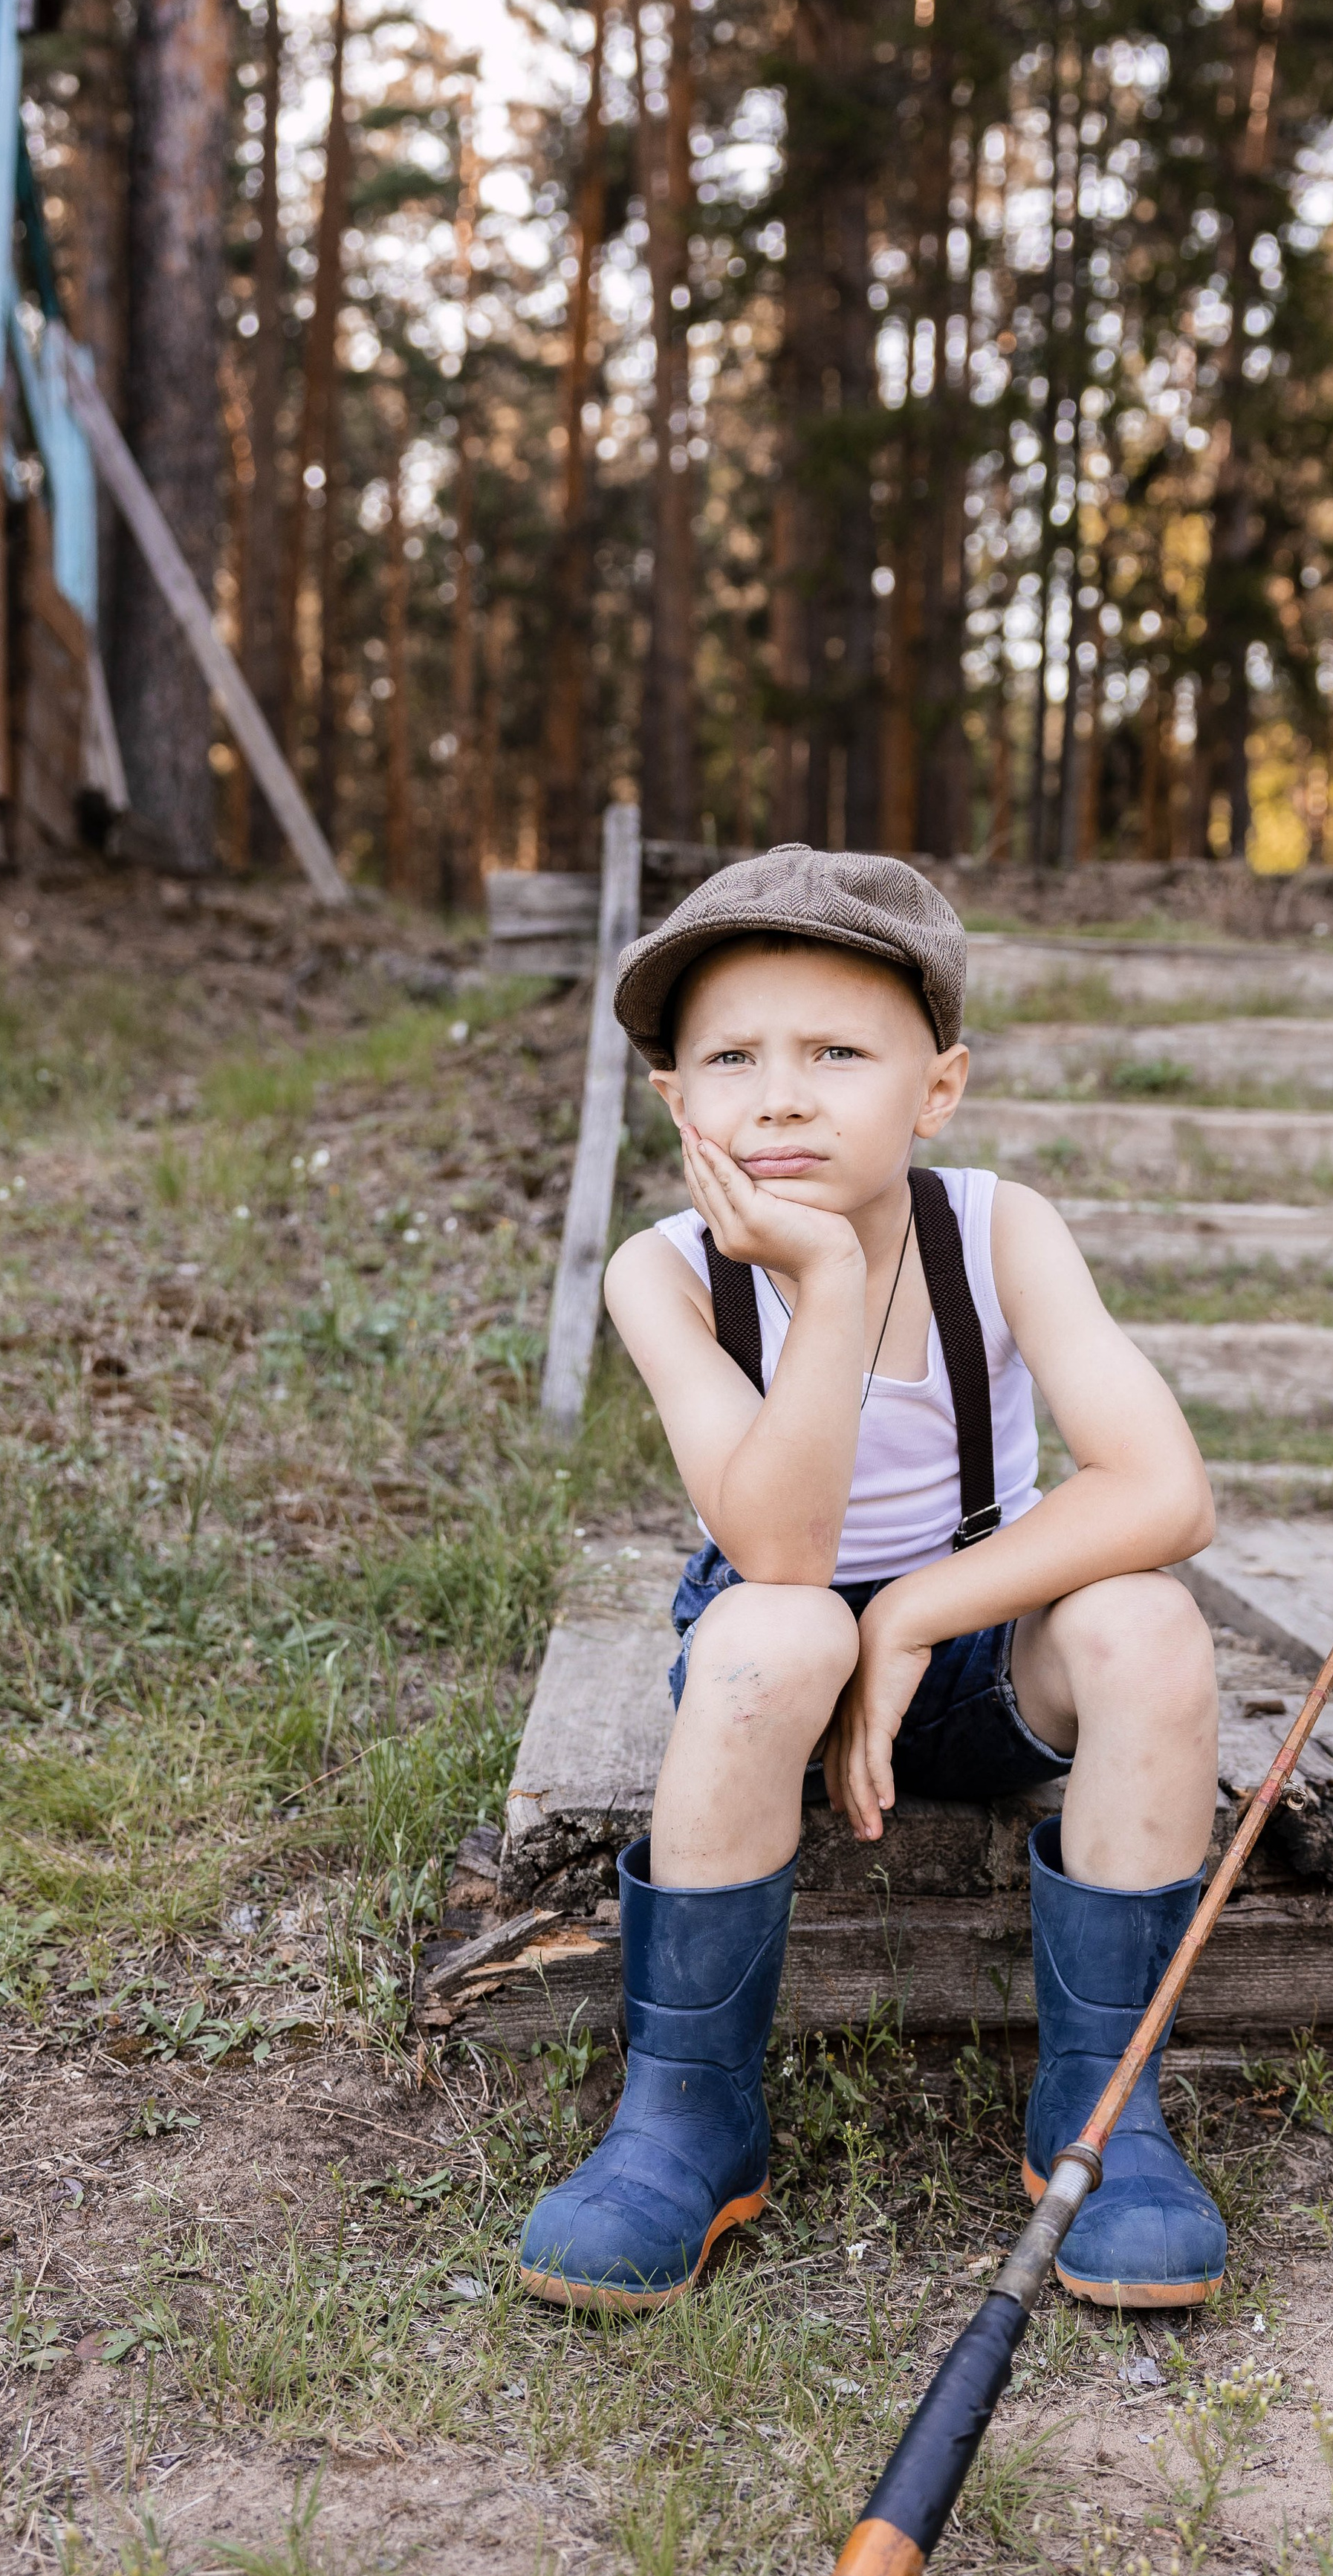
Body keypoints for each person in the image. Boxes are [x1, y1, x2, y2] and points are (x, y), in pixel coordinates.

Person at [516, 845, 1226, 2314]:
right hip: (776, 1683)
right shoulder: (662, 1273)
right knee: (775, 1629)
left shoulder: (997, 1231)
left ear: (936, 1089)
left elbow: (1165, 1490)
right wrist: (826, 1281)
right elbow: (778, 1551)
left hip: (970, 1652)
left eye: (836, 1052)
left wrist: (913, 1609)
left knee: (1147, 1620)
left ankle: (1100, 2118)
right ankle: (688, 2118)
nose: (780, 1093)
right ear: (676, 1103)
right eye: (731, 1058)